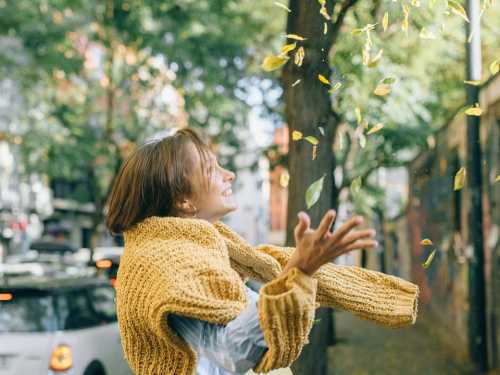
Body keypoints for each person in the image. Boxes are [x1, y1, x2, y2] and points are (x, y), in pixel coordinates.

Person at [106, 128, 419, 375]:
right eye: (211, 169)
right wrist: (299, 274)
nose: (229, 175)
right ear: (182, 200)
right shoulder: (166, 264)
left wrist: (300, 272)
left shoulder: (198, 251)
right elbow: (234, 351)